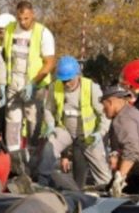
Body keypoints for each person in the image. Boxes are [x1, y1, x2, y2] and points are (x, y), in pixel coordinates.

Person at [37, 56, 110, 188]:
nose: (66, 84)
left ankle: (109, 190)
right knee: (49, 147)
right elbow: (48, 109)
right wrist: (50, 124)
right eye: (63, 80)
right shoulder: (55, 86)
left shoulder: (91, 88)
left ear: (77, 75)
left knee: (101, 167)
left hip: (88, 134)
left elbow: (104, 114)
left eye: (69, 80)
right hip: (65, 131)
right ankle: (42, 182)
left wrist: (100, 133)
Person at [2, 1, 56, 155]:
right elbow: (5, 56)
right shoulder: (10, 30)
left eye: (26, 18)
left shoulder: (43, 33)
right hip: (13, 83)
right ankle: (14, 158)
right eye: (20, 18)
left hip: (34, 87)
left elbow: (50, 62)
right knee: (12, 123)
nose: (23, 22)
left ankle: (32, 159)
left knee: (33, 124)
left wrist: (33, 84)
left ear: (33, 14)